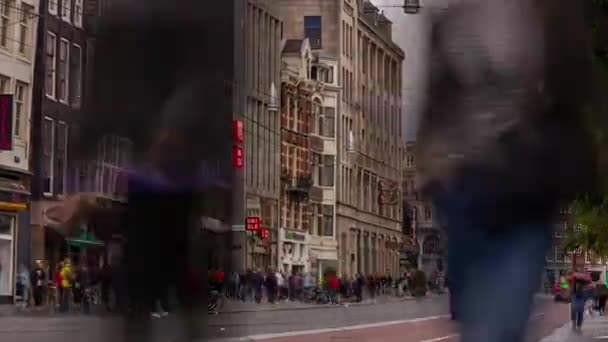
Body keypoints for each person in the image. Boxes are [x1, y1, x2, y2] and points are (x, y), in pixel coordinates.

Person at [419, 1, 593, 341]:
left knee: (498, 322)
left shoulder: (551, 14)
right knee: (471, 315)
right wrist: (430, 165)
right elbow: (436, 97)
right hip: (463, 187)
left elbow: (576, 86)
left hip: (523, 186)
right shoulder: (452, 16)